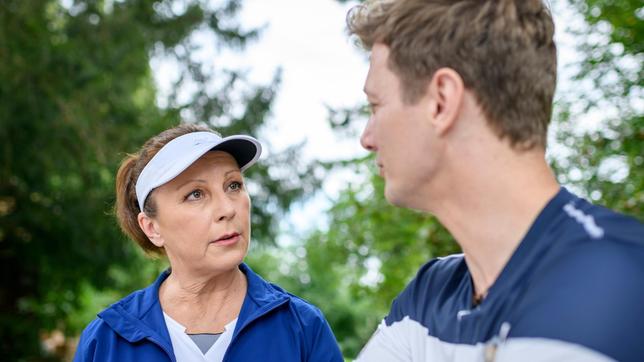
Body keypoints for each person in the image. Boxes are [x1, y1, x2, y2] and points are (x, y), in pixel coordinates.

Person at [347, 0, 644, 361]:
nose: (367, 138)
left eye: (376, 106)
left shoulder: (624, 281)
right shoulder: (426, 300)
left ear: (441, 101)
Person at [74, 123, 343, 362]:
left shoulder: (303, 328)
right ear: (152, 228)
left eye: (234, 185)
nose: (227, 209)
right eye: (195, 194)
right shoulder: (106, 341)